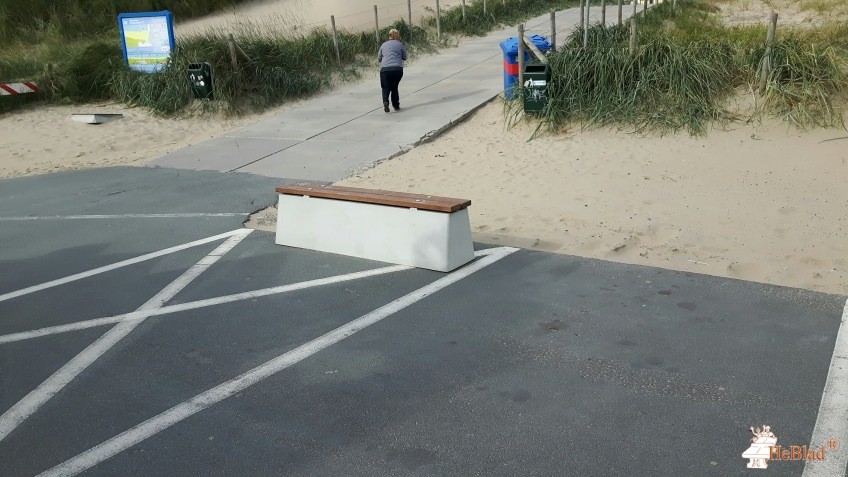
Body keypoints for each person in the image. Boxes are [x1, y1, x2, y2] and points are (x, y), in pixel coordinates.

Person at [377, 29, 407, 112]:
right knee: (394, 87)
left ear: (389, 36)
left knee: (385, 87)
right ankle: (396, 105)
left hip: (385, 70)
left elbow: (379, 58)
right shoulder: (400, 44)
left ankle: (385, 101)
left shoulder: (383, 45)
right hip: (397, 69)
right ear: (398, 36)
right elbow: (405, 57)